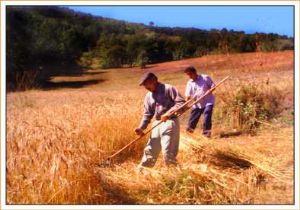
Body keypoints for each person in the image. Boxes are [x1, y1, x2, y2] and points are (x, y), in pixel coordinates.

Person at [135, 72, 185, 169]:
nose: (146, 87)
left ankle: (174, 175)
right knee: (150, 150)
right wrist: (141, 127)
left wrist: (168, 113)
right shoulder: (148, 96)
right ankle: (142, 173)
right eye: (144, 85)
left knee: (168, 152)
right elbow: (147, 114)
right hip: (157, 124)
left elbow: (181, 102)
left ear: (154, 80)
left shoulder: (168, 88)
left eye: (147, 83)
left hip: (170, 122)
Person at [184, 66, 215, 138]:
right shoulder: (190, 82)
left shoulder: (205, 77)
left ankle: (206, 134)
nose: (189, 77)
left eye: (190, 74)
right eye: (188, 75)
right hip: (197, 104)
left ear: (195, 72)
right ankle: (189, 133)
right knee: (193, 119)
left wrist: (210, 90)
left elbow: (213, 86)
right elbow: (188, 95)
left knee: (207, 114)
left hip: (208, 101)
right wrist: (186, 101)